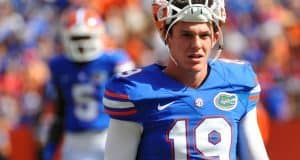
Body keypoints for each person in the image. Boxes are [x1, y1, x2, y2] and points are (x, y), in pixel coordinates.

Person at [103, 0, 269, 160]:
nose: (196, 44)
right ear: (166, 36)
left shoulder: (238, 83)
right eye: (186, 35)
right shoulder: (136, 92)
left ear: (215, 37)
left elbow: (256, 156)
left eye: (204, 35)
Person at [42, 6, 135, 160]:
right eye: (76, 39)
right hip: (74, 141)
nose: (81, 44)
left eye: (85, 38)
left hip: (108, 137)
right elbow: (60, 111)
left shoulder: (114, 62)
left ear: (99, 36)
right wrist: (51, 146)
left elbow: (132, 106)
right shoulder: (59, 65)